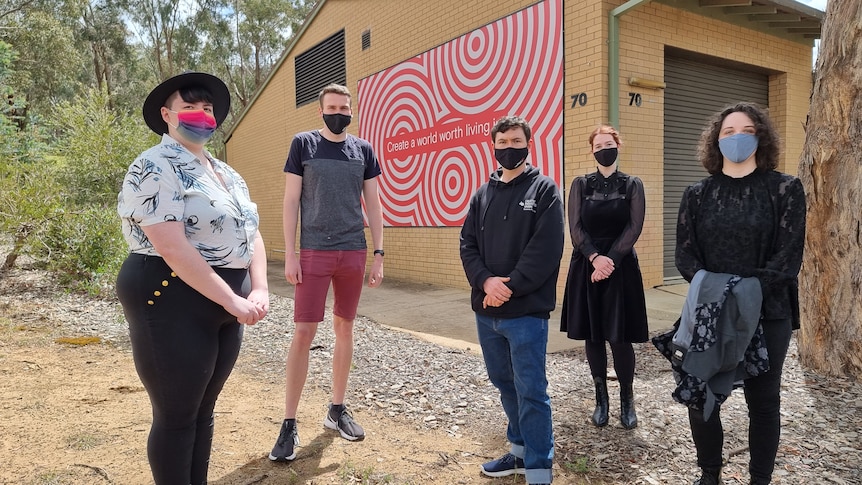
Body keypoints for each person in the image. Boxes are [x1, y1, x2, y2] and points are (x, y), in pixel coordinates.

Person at [116, 71, 269, 485]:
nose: (202, 115)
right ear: (167, 115)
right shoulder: (153, 165)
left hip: (223, 305)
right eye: (190, 107)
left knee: (203, 409)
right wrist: (232, 300)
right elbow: (171, 245)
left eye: (208, 109)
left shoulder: (226, 172)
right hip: (171, 298)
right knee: (177, 414)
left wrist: (259, 286)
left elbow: (250, 231)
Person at [674, 102, 806, 485]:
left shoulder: (785, 188)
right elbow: (685, 254)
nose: (737, 137)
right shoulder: (698, 194)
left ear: (760, 137)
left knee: (763, 402)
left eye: (746, 130)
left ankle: (759, 479)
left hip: (769, 312)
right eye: (728, 132)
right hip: (708, 313)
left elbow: (788, 256)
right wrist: (719, 293)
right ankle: (709, 474)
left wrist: (739, 291)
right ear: (716, 141)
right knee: (701, 396)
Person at [269, 83, 384, 462]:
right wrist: (290, 254)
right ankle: (289, 423)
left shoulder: (363, 150)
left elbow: (373, 202)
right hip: (314, 252)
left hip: (353, 251)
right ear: (321, 111)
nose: (339, 112)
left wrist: (379, 253)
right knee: (303, 332)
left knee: (345, 328)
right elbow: (290, 201)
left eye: (345, 107)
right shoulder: (302, 144)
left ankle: (336, 410)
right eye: (333, 107)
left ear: (352, 110)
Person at [460, 115, 564, 485]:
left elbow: (546, 250)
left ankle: (539, 467)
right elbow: (467, 245)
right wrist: (486, 281)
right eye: (502, 142)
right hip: (487, 312)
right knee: (504, 383)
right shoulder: (481, 195)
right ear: (493, 146)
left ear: (528, 144)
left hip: (526, 313)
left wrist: (510, 286)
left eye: (515, 141)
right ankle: (519, 452)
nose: (508, 148)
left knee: (532, 390)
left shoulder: (545, 191)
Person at [560, 125, 648, 430]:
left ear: (618, 146)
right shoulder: (581, 185)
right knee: (593, 335)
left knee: (619, 337)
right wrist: (596, 258)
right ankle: (601, 400)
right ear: (592, 150)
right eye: (598, 145)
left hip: (620, 266)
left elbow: (634, 227)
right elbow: (575, 228)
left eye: (608, 143)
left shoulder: (632, 184)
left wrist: (610, 259)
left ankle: (627, 398)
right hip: (587, 264)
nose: (603, 148)